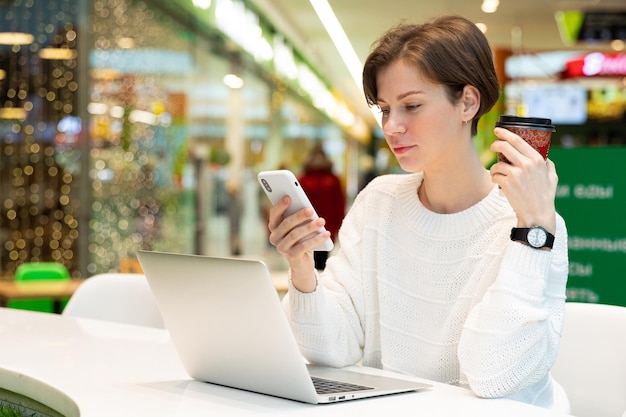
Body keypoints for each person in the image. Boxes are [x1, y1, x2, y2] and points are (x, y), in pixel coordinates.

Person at [266, 15, 569, 411]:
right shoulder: (379, 201)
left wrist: (532, 230)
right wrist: (302, 270)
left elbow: (495, 377)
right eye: (385, 109)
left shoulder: (535, 226)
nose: (392, 126)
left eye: (412, 106)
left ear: (468, 102)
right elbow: (331, 350)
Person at [297, 144, 345, 269]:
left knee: (322, 262)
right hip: (306, 227)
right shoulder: (302, 179)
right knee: (305, 262)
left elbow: (339, 205)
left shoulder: (333, 180)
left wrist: (339, 227)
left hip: (326, 227)